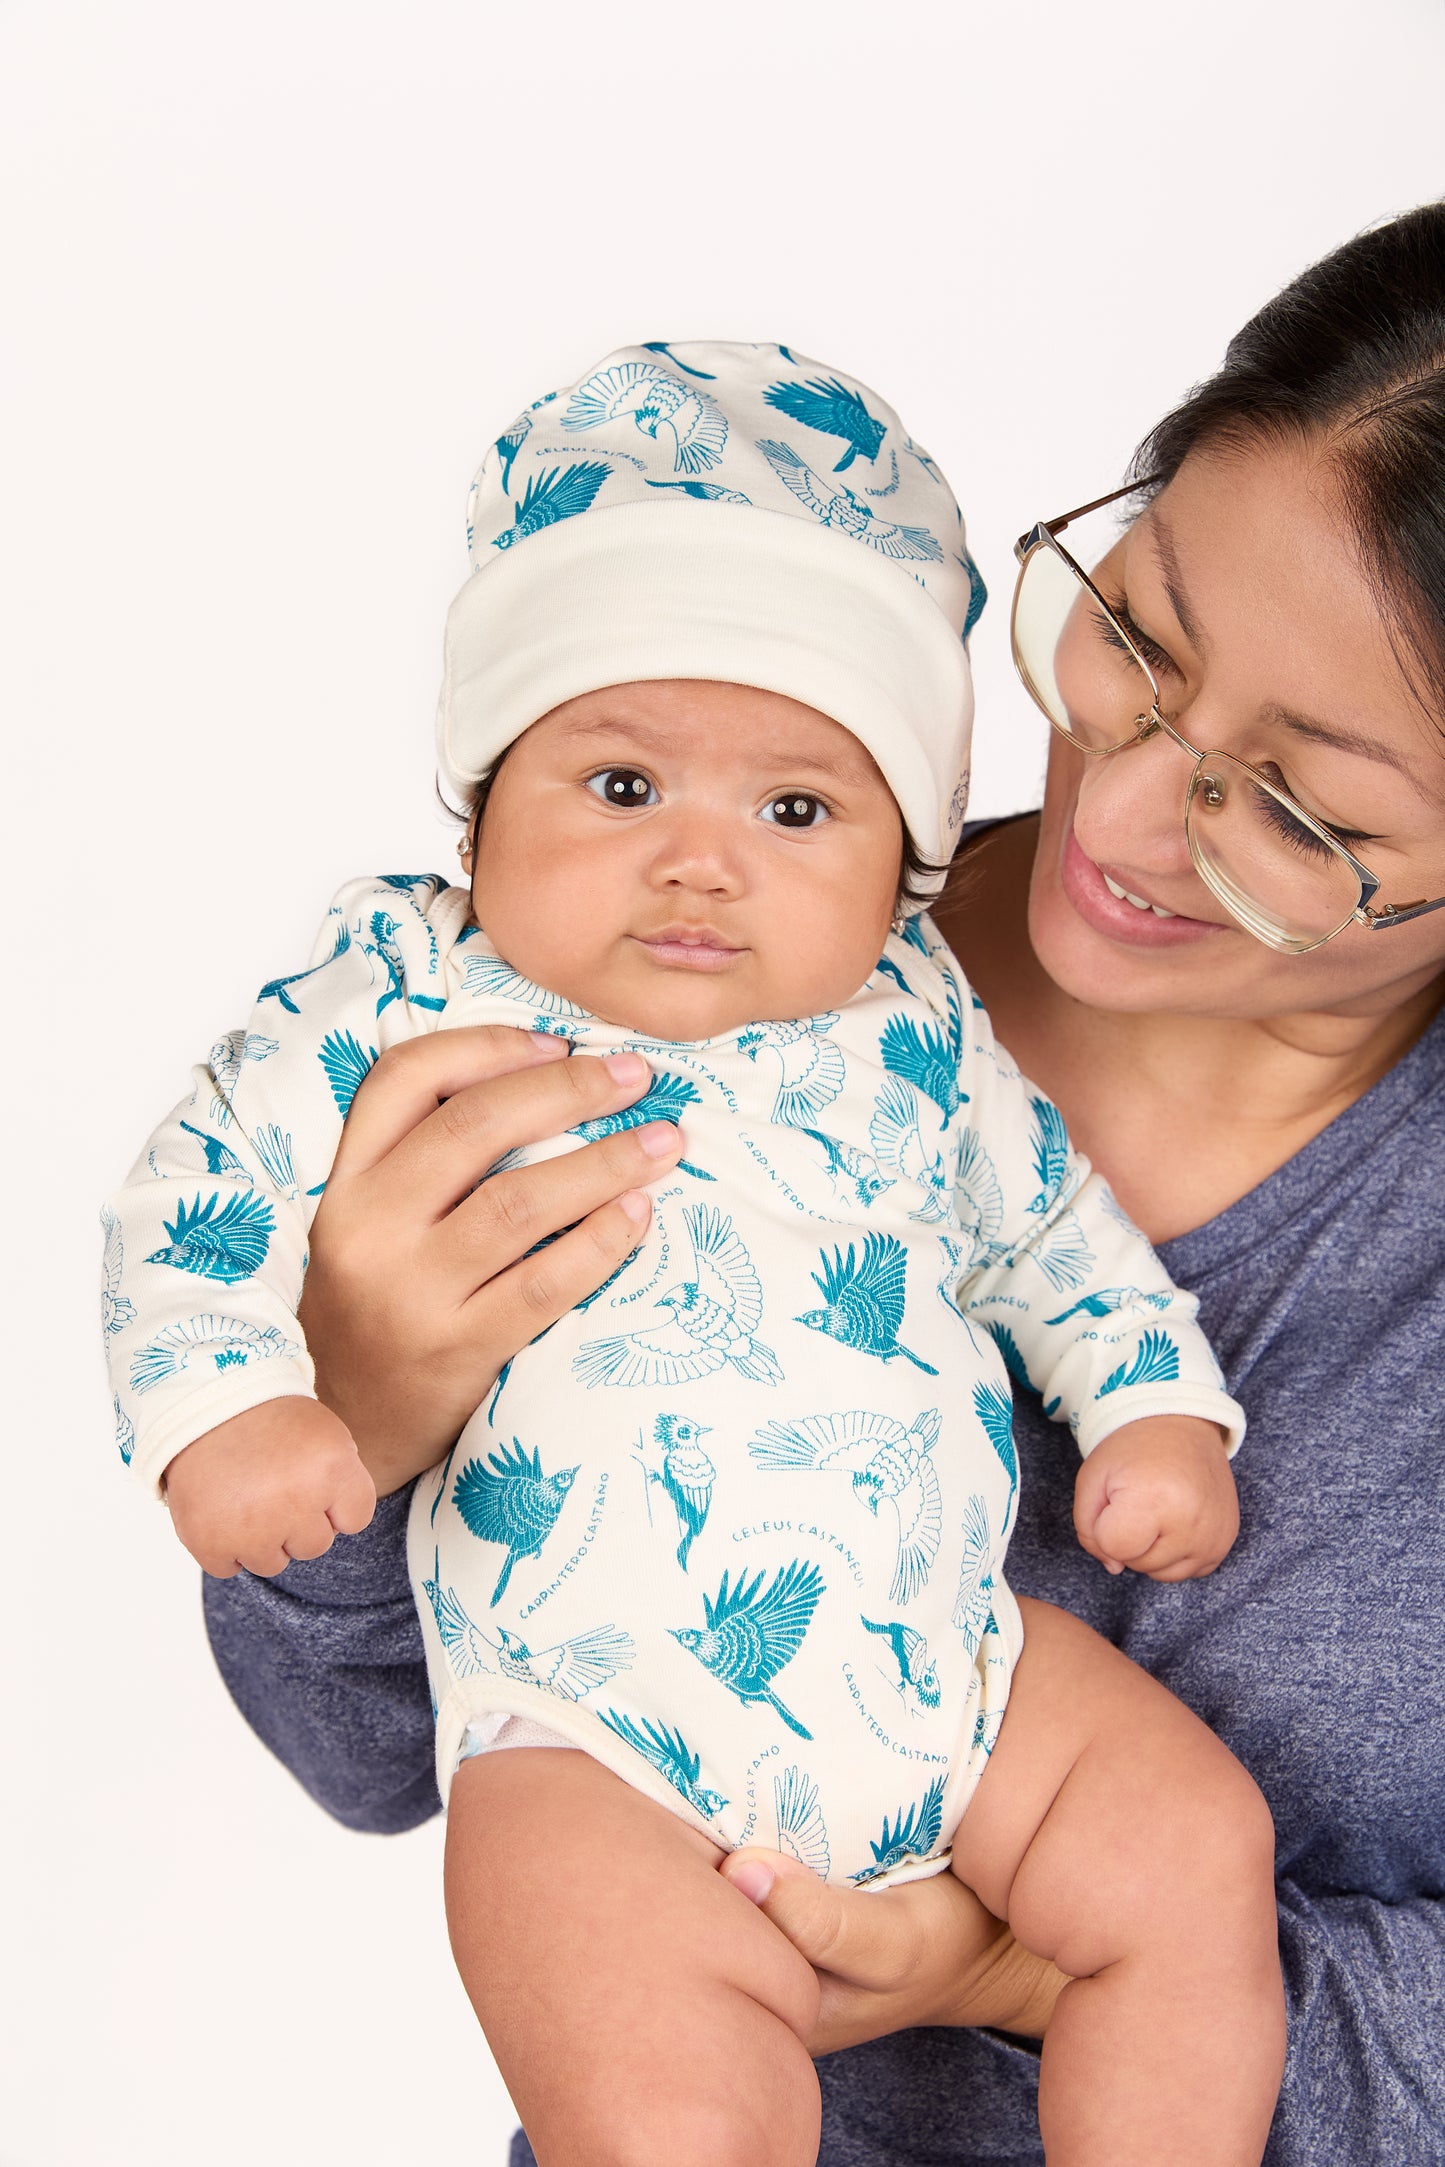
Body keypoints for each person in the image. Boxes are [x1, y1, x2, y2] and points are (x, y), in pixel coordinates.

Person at [200, 201, 1445, 2164]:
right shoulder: (704, 960)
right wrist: (355, 1415)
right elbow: (370, 1761)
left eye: (1299, 808)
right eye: (1136, 631)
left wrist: (1027, 1971)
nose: (1113, 811)